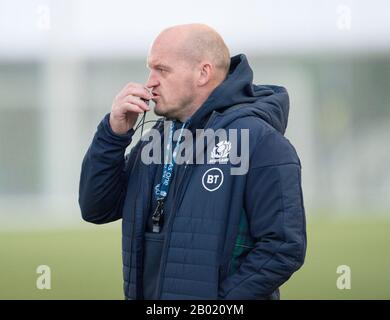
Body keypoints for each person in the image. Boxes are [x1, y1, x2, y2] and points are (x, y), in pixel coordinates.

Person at [79, 23, 307, 300]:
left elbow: (283, 246)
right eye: (150, 69)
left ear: (203, 73)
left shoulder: (261, 141)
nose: (149, 81)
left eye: (161, 70)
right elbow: (97, 208)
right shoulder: (157, 138)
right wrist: (114, 134)